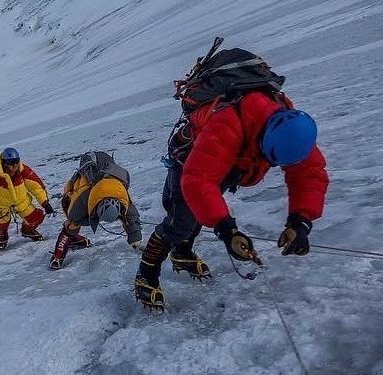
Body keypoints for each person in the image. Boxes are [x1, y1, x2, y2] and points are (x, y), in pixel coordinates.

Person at [134, 44, 329, 309]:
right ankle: (146, 275)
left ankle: (182, 253)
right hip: (191, 159)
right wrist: (227, 230)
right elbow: (197, 181)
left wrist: (300, 221)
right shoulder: (229, 122)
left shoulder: (291, 129)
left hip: (233, 163)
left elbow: (309, 172)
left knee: (201, 212)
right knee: (180, 221)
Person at [50, 151, 142, 270]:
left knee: (127, 213)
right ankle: (59, 254)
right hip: (89, 172)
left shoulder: (120, 194)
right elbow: (71, 215)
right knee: (72, 224)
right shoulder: (81, 200)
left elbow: (130, 215)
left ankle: (73, 240)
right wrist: (90, 219)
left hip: (105, 162)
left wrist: (134, 238)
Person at [0, 148, 54, 250]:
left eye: (16, 162)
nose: (14, 165)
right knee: (1, 225)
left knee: (36, 217)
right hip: (1, 205)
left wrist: (45, 203)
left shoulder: (23, 170)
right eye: (11, 163)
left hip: (22, 202)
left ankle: (27, 230)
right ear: (4, 163)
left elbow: (36, 186)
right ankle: (2, 239)